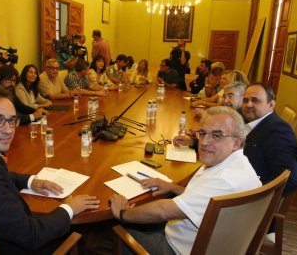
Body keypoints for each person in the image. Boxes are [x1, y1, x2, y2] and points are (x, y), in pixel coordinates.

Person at [0, 89, 100, 254]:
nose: (8, 130)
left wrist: (31, 181)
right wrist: (69, 208)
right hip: (4, 247)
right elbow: (32, 236)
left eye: (12, 120)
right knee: (77, 231)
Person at [110, 106, 261, 254]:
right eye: (202, 133)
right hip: (216, 244)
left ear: (237, 143)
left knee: (112, 227)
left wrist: (123, 214)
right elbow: (208, 200)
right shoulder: (237, 164)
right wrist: (173, 187)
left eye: (216, 135)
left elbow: (163, 211)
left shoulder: (225, 180)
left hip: (178, 248)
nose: (204, 142)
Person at [242, 83, 297, 195]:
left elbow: (292, 179)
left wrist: (255, 196)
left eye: (255, 100)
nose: (248, 104)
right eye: (245, 100)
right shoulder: (256, 122)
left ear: (271, 105)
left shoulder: (277, 130)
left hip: (249, 197)